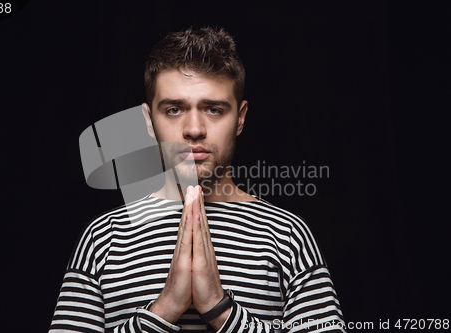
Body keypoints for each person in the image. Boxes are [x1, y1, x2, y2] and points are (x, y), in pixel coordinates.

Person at [50, 27, 345, 333]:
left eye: (213, 109)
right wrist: (164, 309)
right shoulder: (102, 239)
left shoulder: (288, 237)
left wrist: (220, 310)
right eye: (174, 109)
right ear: (148, 120)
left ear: (240, 118)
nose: (194, 129)